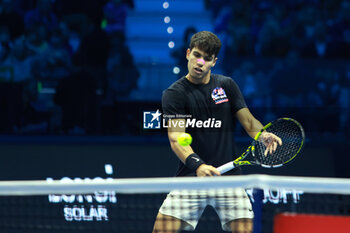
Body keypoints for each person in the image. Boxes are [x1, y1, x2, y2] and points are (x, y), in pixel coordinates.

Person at [152, 31, 282, 233]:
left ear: (214, 62)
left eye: (207, 58)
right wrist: (199, 166)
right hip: (192, 177)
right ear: (187, 54)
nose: (200, 62)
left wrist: (263, 134)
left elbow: (248, 121)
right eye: (196, 55)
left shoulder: (226, 86)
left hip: (229, 179)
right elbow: (176, 138)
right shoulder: (174, 94)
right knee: (161, 231)